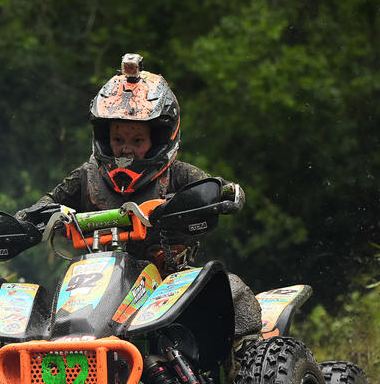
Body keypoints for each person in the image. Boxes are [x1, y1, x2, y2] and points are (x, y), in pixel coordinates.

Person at [16, 53, 260, 337]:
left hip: (169, 283)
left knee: (230, 291)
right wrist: (27, 220)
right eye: (118, 139)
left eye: (138, 140)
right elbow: (49, 202)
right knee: (34, 322)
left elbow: (224, 190)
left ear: (159, 139)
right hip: (95, 289)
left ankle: (245, 357)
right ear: (104, 137)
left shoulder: (178, 173)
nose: (126, 148)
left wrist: (216, 197)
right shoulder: (87, 176)